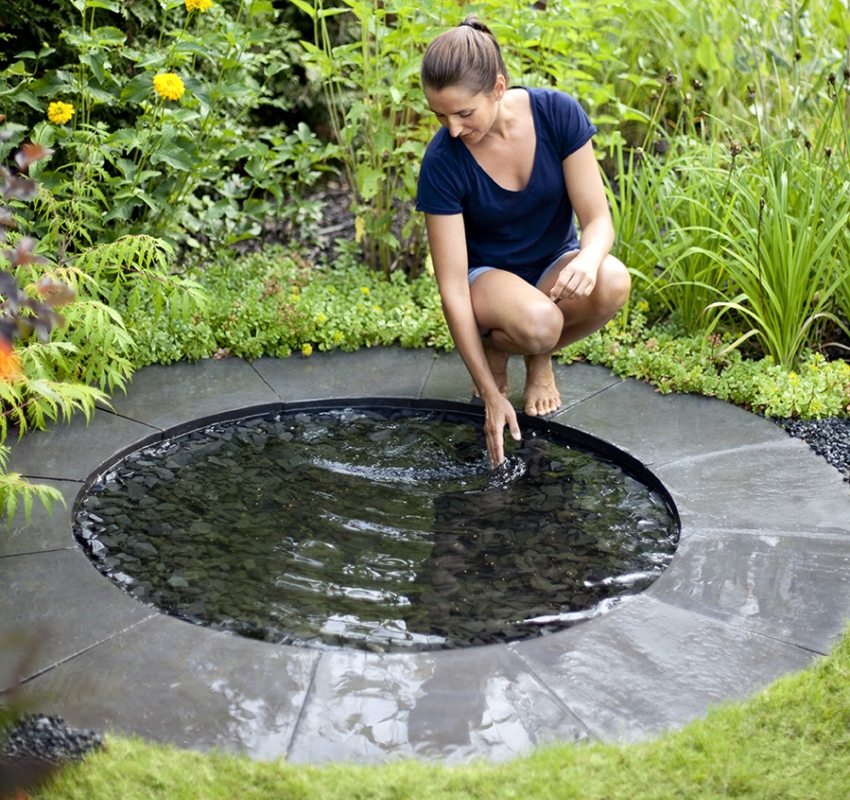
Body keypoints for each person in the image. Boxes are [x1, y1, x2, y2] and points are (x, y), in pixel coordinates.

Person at [416, 16, 631, 467]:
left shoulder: (556, 113)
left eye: (463, 113)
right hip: (486, 281)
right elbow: (452, 289)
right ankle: (501, 345)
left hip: (552, 262)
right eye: (440, 115)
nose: (452, 128)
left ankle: (536, 359)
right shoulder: (442, 161)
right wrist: (491, 393)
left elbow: (598, 221)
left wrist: (589, 259)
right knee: (539, 321)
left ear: (497, 87)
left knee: (611, 280)